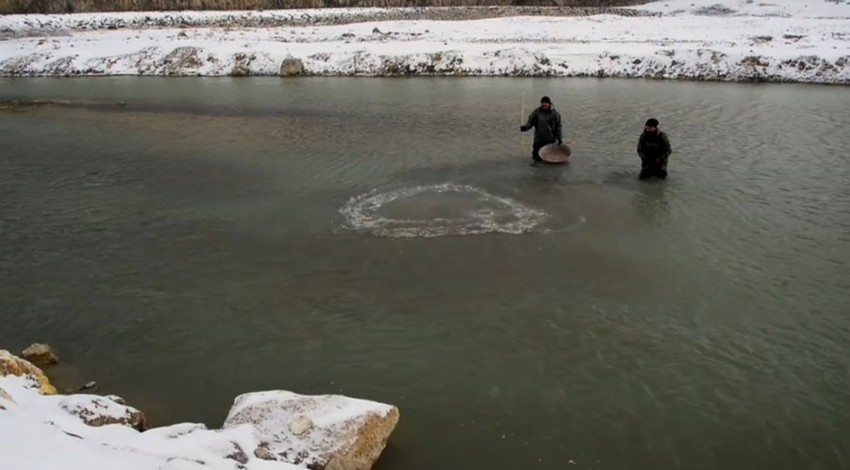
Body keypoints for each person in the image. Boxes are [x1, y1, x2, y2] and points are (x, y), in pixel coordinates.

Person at [520, 96, 563, 162]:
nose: (544, 104)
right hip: (538, 140)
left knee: (549, 160)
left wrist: (560, 139)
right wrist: (525, 128)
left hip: (550, 140)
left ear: (550, 104)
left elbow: (559, 127)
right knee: (536, 160)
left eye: (546, 103)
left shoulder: (555, 114)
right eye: (543, 103)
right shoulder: (536, 112)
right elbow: (530, 122)